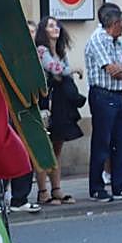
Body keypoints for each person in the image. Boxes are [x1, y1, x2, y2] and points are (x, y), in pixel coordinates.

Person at [83, 3, 122, 202]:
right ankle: (96, 188)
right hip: (102, 95)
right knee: (102, 143)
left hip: (118, 95)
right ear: (114, 23)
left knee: (120, 143)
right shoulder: (98, 40)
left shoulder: (118, 43)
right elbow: (111, 70)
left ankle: (119, 186)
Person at [34, 16, 84, 205]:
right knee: (44, 149)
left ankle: (57, 189)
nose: (56, 28)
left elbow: (61, 70)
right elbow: (54, 69)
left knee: (57, 148)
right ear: (43, 31)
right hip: (47, 105)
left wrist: (67, 71)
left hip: (60, 105)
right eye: (50, 26)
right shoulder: (41, 50)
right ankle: (43, 191)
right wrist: (73, 70)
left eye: (56, 25)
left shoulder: (61, 52)